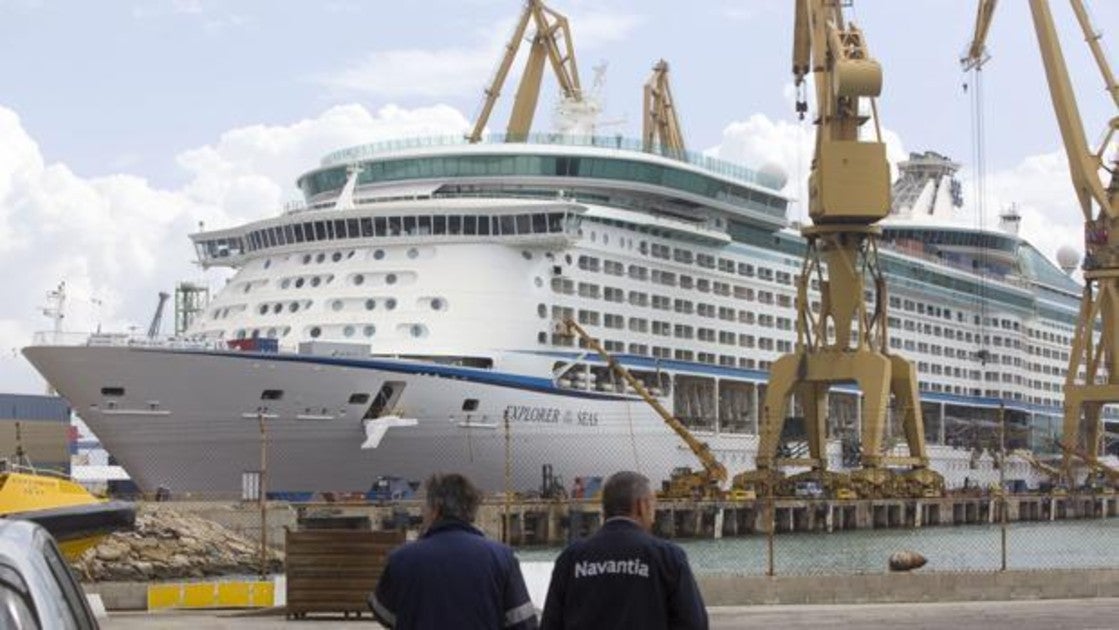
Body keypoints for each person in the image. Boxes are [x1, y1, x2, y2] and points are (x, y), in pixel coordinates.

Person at [541, 470, 708, 630]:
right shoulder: (668, 557)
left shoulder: (571, 558)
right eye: (653, 505)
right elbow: (694, 623)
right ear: (641, 506)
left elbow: (551, 624)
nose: (654, 514)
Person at [368, 473, 537, 629]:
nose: (423, 512)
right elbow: (523, 622)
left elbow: (383, 613)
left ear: (436, 509)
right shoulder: (502, 557)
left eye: (425, 506)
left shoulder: (402, 559)